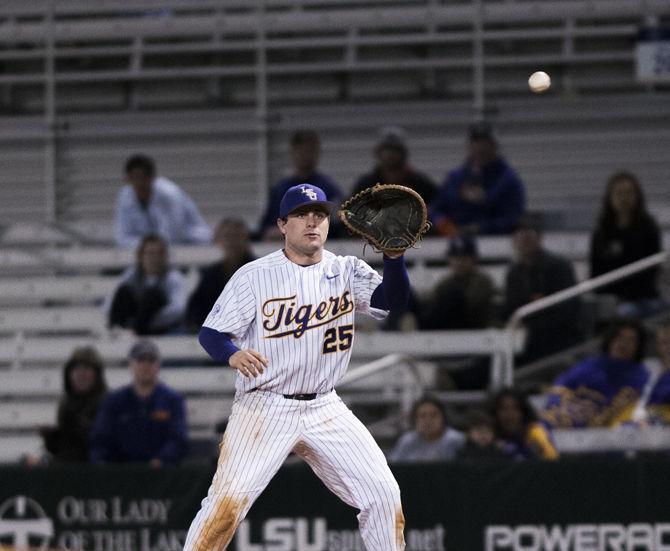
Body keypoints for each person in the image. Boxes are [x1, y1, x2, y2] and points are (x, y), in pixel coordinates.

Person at [184, 183, 411, 550]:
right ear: (282, 225)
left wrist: (395, 259)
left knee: (384, 495)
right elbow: (211, 333)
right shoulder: (253, 275)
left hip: (325, 406)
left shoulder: (346, 270)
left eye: (319, 214)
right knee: (226, 505)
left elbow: (392, 302)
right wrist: (231, 353)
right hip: (264, 406)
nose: (312, 221)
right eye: (302, 215)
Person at [90, 340, 188, 465]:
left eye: (151, 360)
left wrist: (162, 459)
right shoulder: (114, 401)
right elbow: (101, 438)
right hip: (121, 474)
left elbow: (178, 438)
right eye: (140, 360)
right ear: (131, 364)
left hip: (161, 475)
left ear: (158, 365)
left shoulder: (172, 400)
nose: (146, 365)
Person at [542, 319, 649, 429]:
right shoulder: (589, 365)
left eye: (631, 340)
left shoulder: (641, 376)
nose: (623, 343)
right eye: (619, 337)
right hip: (568, 415)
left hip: (605, 427)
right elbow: (560, 387)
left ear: (638, 347)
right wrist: (565, 408)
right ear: (610, 339)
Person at [503, 213, 582, 363]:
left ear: (539, 238)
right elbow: (510, 309)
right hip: (524, 338)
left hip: (556, 338)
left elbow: (568, 311)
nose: (524, 240)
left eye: (529, 235)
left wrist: (530, 328)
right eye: (520, 235)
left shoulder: (559, 267)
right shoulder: (514, 273)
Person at [589, 170, 664, 318]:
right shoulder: (602, 232)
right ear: (610, 197)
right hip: (612, 298)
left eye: (629, 193)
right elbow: (596, 271)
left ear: (637, 197)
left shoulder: (648, 228)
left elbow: (652, 269)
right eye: (619, 193)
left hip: (644, 297)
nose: (624, 198)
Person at [429, 121, 526, 236]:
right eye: (476, 142)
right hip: (454, 243)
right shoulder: (455, 178)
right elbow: (436, 208)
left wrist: (481, 227)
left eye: (485, 142)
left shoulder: (508, 180)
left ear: (494, 146)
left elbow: (512, 218)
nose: (480, 147)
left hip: (495, 244)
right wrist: (444, 224)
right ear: (469, 146)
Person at [257, 129, 343, 241]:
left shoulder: (329, 188)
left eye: (310, 151)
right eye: (301, 151)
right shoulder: (280, 190)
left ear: (317, 154)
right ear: (293, 153)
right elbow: (267, 226)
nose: (306, 155)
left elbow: (337, 225)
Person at [115, 154, 212, 248]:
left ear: (152, 178)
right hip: (154, 250)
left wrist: (146, 245)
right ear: (127, 179)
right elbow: (123, 238)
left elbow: (174, 235)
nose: (139, 183)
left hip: (192, 242)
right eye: (135, 178)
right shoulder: (124, 197)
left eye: (143, 178)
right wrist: (146, 245)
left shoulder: (169, 194)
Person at [107, 234, 187, 335]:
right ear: (141, 256)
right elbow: (112, 301)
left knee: (152, 295)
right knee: (123, 292)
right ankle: (116, 332)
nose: (154, 258)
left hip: (160, 326)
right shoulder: (132, 275)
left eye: (158, 254)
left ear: (164, 257)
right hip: (134, 320)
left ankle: (134, 331)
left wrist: (150, 322)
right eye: (149, 253)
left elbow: (178, 309)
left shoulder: (173, 277)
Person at [185, 218, 256, 331]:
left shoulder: (259, 269)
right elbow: (196, 309)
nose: (232, 242)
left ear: (246, 239)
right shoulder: (212, 274)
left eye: (236, 236)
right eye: (227, 237)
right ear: (219, 241)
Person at [40, 346, 107, 463]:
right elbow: (66, 448)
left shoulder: (108, 402)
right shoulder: (66, 403)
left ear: (97, 374)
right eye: (76, 369)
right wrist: (53, 439)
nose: (81, 374)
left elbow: (108, 442)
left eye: (86, 369)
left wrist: (83, 429)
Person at [421, 234, 496, 329]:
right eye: (455, 258)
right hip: (447, 329)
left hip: (474, 327)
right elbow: (434, 304)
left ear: (474, 259)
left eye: (464, 258)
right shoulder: (446, 283)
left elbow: (471, 307)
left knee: (452, 295)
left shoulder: (482, 281)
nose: (459, 262)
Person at [351, 126, 437, 205]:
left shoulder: (420, 184)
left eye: (395, 150)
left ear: (403, 153)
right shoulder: (366, 185)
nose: (390, 154)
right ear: (378, 153)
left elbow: (436, 209)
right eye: (387, 149)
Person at [388, 396, 464, 462]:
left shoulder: (457, 441)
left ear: (443, 417)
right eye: (422, 416)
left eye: (433, 415)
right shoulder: (406, 442)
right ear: (415, 419)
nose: (428, 421)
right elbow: (392, 468)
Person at [492, 389, 558, 460]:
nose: (509, 413)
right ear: (495, 412)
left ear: (523, 411)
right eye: (504, 408)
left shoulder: (536, 432)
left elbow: (552, 459)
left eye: (515, 408)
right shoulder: (490, 434)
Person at [632, 320, 670, 425]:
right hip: (645, 421)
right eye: (664, 342)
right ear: (658, 345)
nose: (668, 347)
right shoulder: (648, 366)